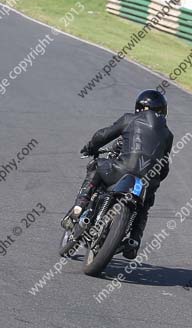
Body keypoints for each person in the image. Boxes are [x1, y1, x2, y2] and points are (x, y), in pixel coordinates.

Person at [63, 90, 174, 259]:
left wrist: (90, 147)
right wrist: (154, 181)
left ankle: (80, 207)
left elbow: (102, 135)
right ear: (163, 111)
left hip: (121, 170)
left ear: (138, 108)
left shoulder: (130, 119)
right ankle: (134, 240)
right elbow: (164, 167)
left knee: (95, 166)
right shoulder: (168, 134)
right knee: (145, 204)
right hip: (146, 181)